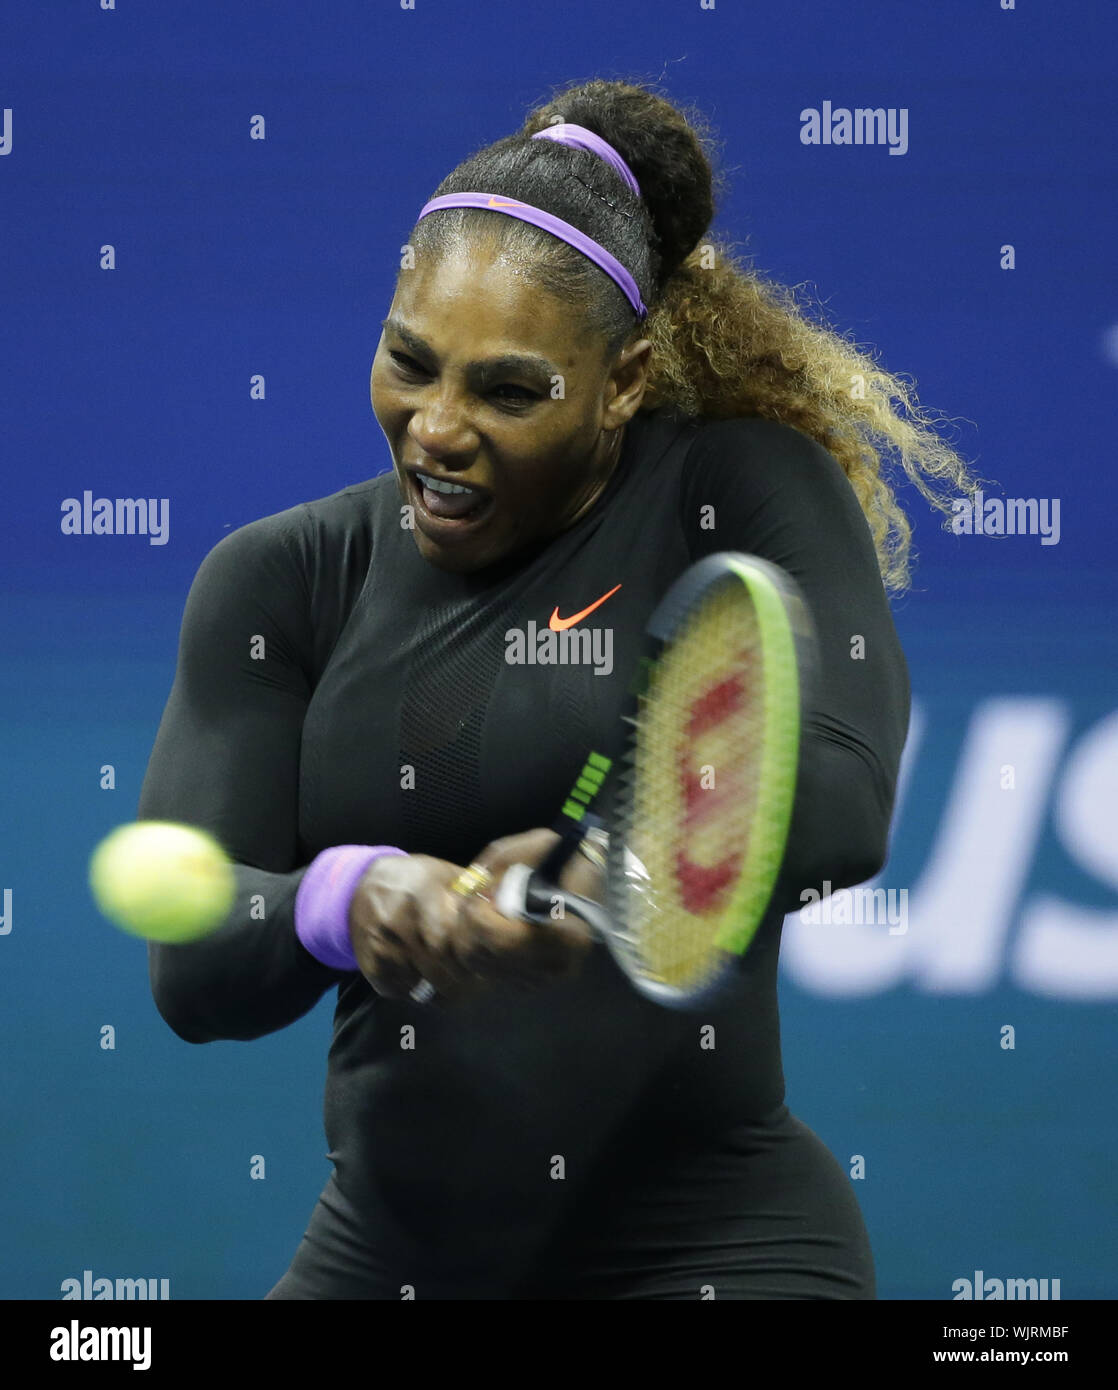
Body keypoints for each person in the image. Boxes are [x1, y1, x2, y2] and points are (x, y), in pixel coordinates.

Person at [139, 78, 976, 1299]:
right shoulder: (280, 580)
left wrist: (619, 863)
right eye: (407, 362)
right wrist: (351, 895)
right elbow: (192, 969)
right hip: (390, 1255)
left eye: (506, 390)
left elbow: (844, 793)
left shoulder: (736, 487)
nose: (436, 427)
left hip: (715, 1249)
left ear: (624, 378)